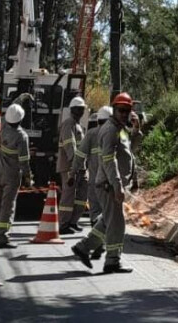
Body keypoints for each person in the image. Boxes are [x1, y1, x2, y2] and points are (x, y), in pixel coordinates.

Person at [72, 93, 135, 273]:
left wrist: (136, 130)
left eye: (127, 110)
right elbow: (109, 160)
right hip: (108, 184)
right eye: (121, 110)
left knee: (108, 221)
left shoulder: (120, 129)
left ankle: (83, 247)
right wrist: (117, 185)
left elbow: (129, 152)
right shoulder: (109, 130)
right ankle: (112, 261)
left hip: (112, 183)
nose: (124, 114)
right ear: (114, 110)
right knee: (116, 224)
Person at [0, 102, 31, 249]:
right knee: (8, 205)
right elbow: (24, 161)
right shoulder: (22, 136)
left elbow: (4, 116)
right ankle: (2, 237)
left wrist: (18, 99)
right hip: (12, 175)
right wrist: (28, 177)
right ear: (21, 119)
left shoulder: (3, 128)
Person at [72, 105, 111, 241]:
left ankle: (96, 235)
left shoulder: (91, 134)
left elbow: (80, 155)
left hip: (95, 181)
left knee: (95, 210)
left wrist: (72, 173)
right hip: (111, 182)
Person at [57, 95, 85, 234]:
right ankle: (63, 224)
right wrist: (75, 167)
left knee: (80, 196)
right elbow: (70, 147)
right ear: (72, 110)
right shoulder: (68, 124)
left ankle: (73, 221)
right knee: (68, 196)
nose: (80, 111)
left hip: (80, 167)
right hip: (70, 166)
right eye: (78, 109)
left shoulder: (78, 125)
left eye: (82, 109)